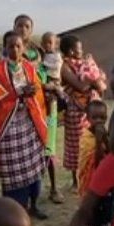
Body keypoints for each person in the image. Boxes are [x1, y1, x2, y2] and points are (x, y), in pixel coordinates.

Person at [0, 31, 49, 220]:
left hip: (29, 125)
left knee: (34, 169)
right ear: (5, 47)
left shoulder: (29, 67)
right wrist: (17, 94)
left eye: (18, 46)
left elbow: (37, 94)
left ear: (24, 47)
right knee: (13, 174)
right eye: (10, 46)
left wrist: (32, 92)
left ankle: (33, 205)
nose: (15, 49)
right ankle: (15, 211)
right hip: (8, 128)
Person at [60, 33, 106, 191]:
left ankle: (92, 174)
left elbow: (98, 79)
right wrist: (95, 81)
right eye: (79, 49)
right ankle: (76, 180)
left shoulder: (85, 63)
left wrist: (97, 79)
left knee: (93, 141)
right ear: (71, 51)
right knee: (75, 146)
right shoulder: (64, 66)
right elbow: (81, 87)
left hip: (91, 109)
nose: (82, 51)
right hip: (76, 111)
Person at [77, 100, 114, 226]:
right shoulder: (86, 137)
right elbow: (97, 162)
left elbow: (112, 156)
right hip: (91, 190)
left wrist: (105, 138)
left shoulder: (105, 134)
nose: (99, 121)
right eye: (95, 117)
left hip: (105, 190)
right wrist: (99, 142)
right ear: (88, 118)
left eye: (102, 117)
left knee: (105, 225)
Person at [39, 31, 65, 204]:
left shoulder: (54, 58)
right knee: (39, 147)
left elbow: (56, 78)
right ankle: (37, 188)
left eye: (51, 43)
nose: (49, 45)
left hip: (51, 108)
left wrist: (52, 87)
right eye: (45, 42)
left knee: (50, 145)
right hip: (37, 108)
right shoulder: (33, 57)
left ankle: (54, 187)